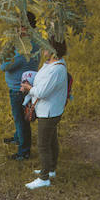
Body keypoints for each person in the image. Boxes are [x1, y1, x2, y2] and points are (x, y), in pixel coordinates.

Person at [24, 37, 68, 190]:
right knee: (52, 140)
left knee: (43, 144)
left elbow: (42, 92)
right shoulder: (51, 64)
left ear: (53, 50)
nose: (43, 50)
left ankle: (44, 178)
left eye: (45, 47)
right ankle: (51, 169)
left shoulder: (56, 69)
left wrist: (29, 89)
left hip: (48, 113)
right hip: (49, 110)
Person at [0, 12, 40, 161]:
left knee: (20, 120)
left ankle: (24, 151)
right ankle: (18, 137)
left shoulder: (22, 48)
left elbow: (4, 65)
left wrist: (6, 48)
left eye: (18, 26)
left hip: (19, 90)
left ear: (24, 27)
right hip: (27, 85)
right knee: (19, 118)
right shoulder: (35, 40)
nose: (15, 29)